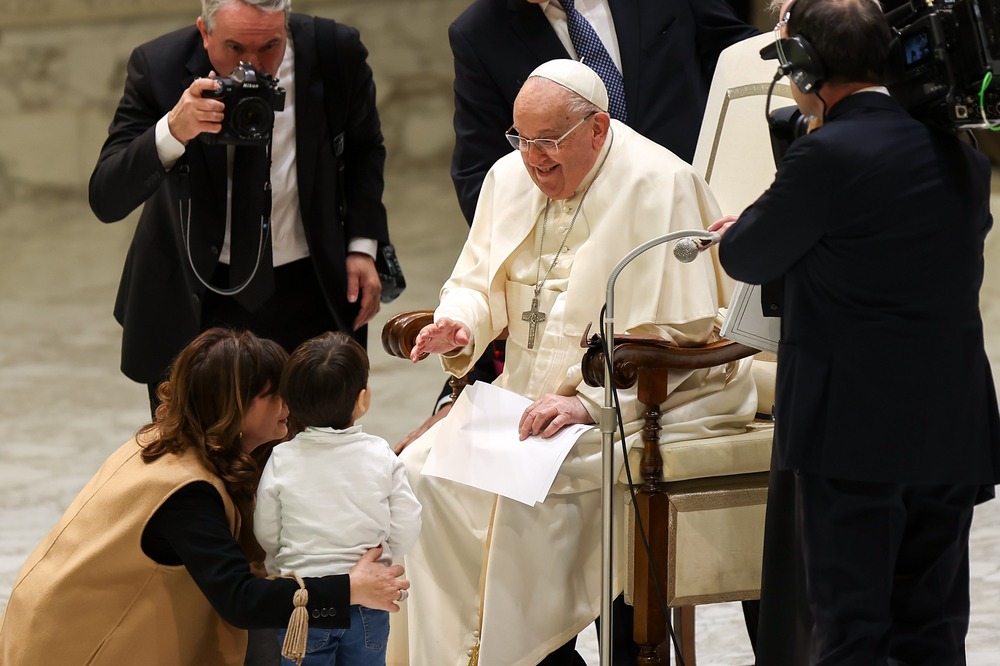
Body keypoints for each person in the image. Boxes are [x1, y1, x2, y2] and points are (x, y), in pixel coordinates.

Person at [392, 59, 757, 666]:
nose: (534, 161)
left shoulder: (658, 184)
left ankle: (520, 651)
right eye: (522, 141)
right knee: (415, 476)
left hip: (635, 399)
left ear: (596, 128)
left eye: (548, 144)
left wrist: (585, 403)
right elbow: (476, 282)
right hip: (522, 391)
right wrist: (459, 328)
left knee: (520, 488)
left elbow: (680, 329)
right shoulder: (508, 176)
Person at [710, 0, 1000, 663]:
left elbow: (746, 255)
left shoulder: (825, 158)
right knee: (933, 625)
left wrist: (770, 209)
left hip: (854, 435)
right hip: (951, 425)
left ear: (803, 66)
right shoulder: (963, 157)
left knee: (851, 628)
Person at [0, 327, 409, 665]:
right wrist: (348, 589)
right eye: (274, 394)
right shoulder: (186, 493)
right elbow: (240, 600)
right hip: (81, 650)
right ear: (235, 404)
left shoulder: (170, 441)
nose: (290, 404)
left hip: (52, 626)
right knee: (277, 632)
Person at [88, 0, 390, 413]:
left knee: (316, 454)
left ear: (287, 25)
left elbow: (364, 149)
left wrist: (361, 245)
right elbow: (106, 196)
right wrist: (173, 130)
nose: (253, 65)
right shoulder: (158, 65)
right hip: (196, 295)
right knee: (200, 462)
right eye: (234, 48)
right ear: (204, 32)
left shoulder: (335, 50)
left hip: (310, 285)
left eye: (270, 45)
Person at [255, 331, 422, 665]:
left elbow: (267, 530)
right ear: (361, 400)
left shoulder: (282, 457)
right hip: (369, 605)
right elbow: (407, 520)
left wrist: (281, 562)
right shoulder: (380, 453)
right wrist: (385, 556)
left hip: (305, 601)